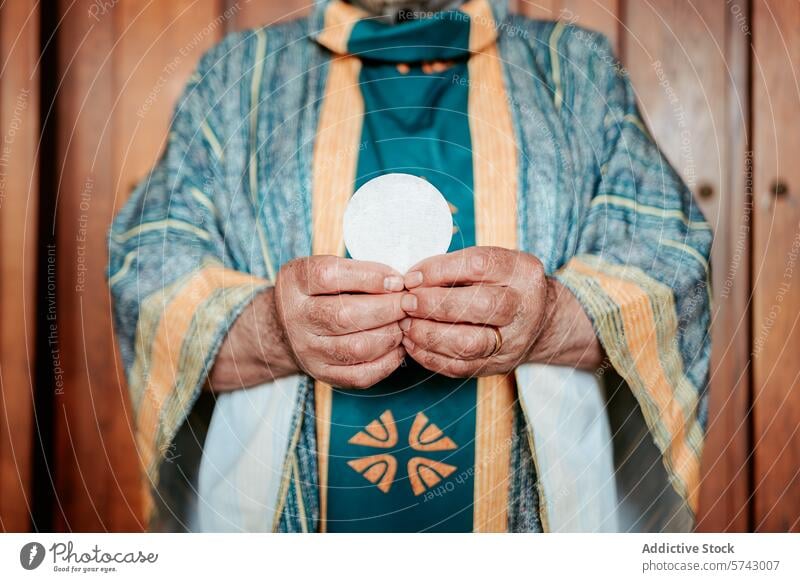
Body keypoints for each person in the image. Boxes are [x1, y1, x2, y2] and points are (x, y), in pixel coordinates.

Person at [108, 0, 712, 532]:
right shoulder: (239, 77)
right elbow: (149, 266)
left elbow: (668, 260)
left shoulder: (575, 70)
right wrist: (273, 330)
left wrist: (550, 319)